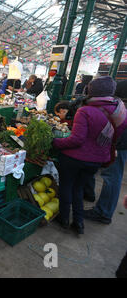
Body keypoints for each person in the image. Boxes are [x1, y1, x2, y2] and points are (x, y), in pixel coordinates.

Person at [52, 76, 127, 235]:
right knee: (78, 189)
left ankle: (64, 218)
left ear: (91, 91)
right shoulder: (120, 111)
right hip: (96, 160)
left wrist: (56, 142)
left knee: (66, 186)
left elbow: (76, 140)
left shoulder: (85, 110)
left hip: (74, 158)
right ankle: (78, 223)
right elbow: (114, 138)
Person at [83, 127, 127, 224]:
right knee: (113, 176)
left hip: (120, 141)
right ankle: (104, 210)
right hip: (121, 140)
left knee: (111, 177)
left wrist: (114, 144)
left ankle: (103, 212)